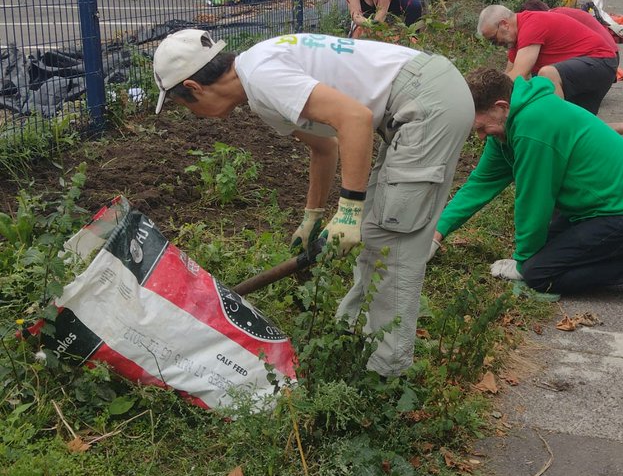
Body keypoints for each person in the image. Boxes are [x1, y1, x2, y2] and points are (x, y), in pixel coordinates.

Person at [152, 27, 473, 377]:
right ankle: (354, 334)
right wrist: (313, 217)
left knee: (393, 241)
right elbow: (325, 147)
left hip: (427, 101)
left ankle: (385, 375)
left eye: (186, 108)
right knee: (376, 230)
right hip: (417, 98)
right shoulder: (258, 84)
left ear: (194, 88)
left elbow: (355, 119)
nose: (194, 117)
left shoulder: (262, 75)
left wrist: (349, 209)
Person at [431, 68, 623, 311]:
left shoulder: (533, 125)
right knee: (541, 255)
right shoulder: (506, 127)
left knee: (540, 274)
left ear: (500, 107)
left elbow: (535, 200)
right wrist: (436, 233)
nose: (479, 136)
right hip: (606, 209)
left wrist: (524, 263)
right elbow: (480, 184)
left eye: (480, 127)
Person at [477, 3, 623, 153]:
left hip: (602, 62)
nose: (497, 45)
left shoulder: (531, 23)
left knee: (546, 76)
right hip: (593, 66)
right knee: (577, 129)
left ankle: (553, 136)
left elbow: (517, 76)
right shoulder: (516, 42)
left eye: (494, 39)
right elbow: (506, 81)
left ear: (504, 24)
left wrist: (482, 102)